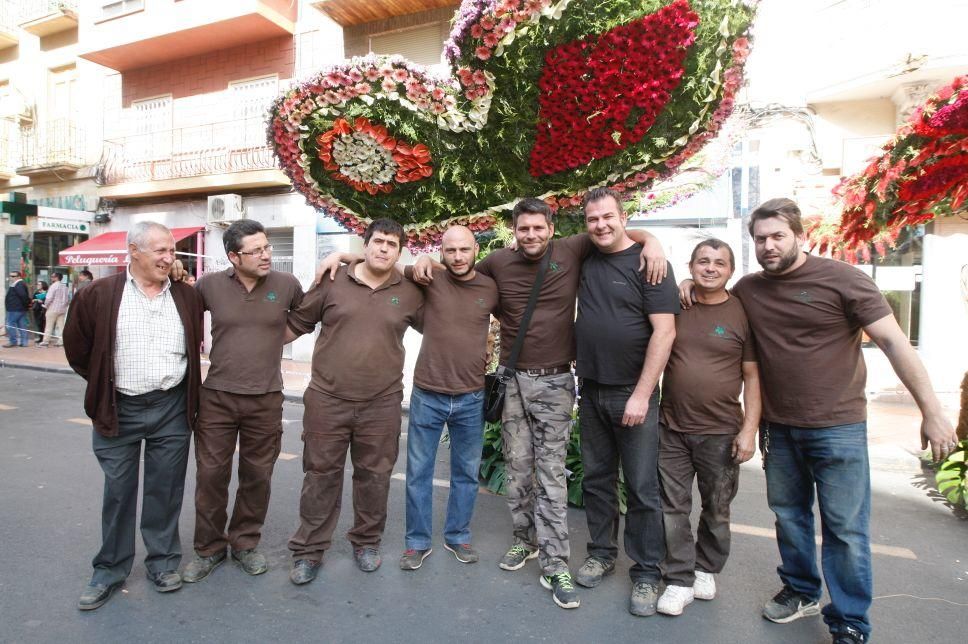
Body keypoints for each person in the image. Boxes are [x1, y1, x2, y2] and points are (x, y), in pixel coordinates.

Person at [680, 198, 957, 643]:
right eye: (760, 239)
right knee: (789, 517)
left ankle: (849, 619)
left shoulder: (844, 280)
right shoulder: (750, 289)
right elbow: (712, 294)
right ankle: (800, 590)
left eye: (777, 237)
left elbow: (894, 342)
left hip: (838, 427)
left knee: (845, 528)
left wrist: (933, 411)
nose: (768, 246)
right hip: (780, 428)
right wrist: (685, 283)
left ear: (799, 236)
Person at [413, 197, 667, 610]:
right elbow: (459, 270)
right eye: (523, 228)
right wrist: (425, 263)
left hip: (555, 383)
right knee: (518, 471)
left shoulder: (572, 248)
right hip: (512, 383)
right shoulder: (496, 261)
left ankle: (555, 563)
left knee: (551, 474)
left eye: (538, 228)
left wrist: (651, 239)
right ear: (514, 231)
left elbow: (614, 232)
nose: (531, 235)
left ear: (551, 228)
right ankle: (523, 541)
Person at [316, 225, 500, 570]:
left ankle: (458, 536)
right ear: (441, 251)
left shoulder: (490, 287)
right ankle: (416, 542)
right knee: (418, 472)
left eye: (464, 250)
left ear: (477, 249)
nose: (458, 257)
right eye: (450, 250)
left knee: (466, 473)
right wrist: (342, 255)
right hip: (428, 393)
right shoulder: (425, 277)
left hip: (471, 396)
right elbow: (382, 262)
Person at [64, 221, 203, 611]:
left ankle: (162, 563)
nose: (168, 257)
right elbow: (78, 350)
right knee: (119, 492)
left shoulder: (186, 297)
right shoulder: (97, 295)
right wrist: (104, 384)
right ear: (134, 252)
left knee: (165, 490)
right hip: (117, 409)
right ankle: (109, 570)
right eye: (159, 250)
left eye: (172, 251)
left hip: (171, 408)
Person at [285, 218, 423, 584]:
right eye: (378, 241)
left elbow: (443, 308)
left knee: (375, 477)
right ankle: (309, 551)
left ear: (399, 251)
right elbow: (296, 323)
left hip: (382, 402)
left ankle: (366, 542)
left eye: (392, 244)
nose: (383, 249)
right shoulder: (333, 279)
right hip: (328, 399)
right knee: (320, 476)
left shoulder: (409, 290)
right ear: (365, 244)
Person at [572, 187, 679, 617]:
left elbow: (665, 332)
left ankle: (648, 573)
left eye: (608, 217)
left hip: (632, 394)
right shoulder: (586, 257)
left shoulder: (648, 263)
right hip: (592, 389)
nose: (600, 225)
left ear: (622, 217)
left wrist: (640, 393)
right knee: (597, 480)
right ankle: (601, 552)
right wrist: (647, 234)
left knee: (641, 487)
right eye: (592, 219)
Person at [181, 220, 303, 584]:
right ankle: (209, 549)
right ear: (234, 257)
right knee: (211, 476)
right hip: (217, 396)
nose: (267, 255)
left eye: (267, 247)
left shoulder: (286, 285)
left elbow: (309, 314)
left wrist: (278, 337)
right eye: (257, 250)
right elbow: (179, 307)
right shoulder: (209, 285)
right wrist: (174, 272)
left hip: (265, 398)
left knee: (257, 476)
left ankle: (245, 543)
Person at [655, 239, 760, 617]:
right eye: (703, 261)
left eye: (719, 262)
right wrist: (682, 285)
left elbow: (752, 376)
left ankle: (706, 569)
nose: (710, 268)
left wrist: (749, 429)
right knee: (673, 507)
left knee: (717, 507)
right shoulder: (676, 304)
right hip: (672, 428)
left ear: (731, 270)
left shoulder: (741, 313)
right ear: (692, 265)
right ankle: (679, 578)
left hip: (721, 431)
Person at [39, 272, 69, 347]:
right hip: (62, 309)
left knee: (49, 326)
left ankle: (45, 341)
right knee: (61, 326)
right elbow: (67, 299)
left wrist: (45, 305)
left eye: (52, 276)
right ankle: (61, 341)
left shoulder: (53, 286)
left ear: (56, 278)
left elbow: (49, 298)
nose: (51, 278)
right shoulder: (65, 286)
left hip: (52, 308)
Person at [4, 271, 31, 347]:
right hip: (18, 309)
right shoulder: (17, 284)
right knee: (22, 326)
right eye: (10, 276)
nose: (11, 277)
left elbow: (24, 296)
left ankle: (13, 341)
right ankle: (24, 342)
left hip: (15, 309)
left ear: (19, 277)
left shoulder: (19, 284)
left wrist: (26, 306)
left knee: (10, 325)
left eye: (13, 276)